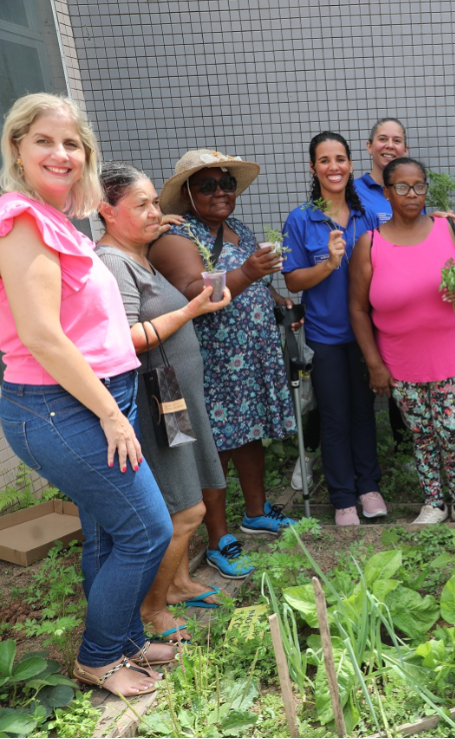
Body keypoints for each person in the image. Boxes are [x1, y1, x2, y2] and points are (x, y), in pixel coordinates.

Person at [0, 93, 172, 697]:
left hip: (94, 398)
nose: (60, 152)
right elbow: (42, 336)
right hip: (63, 405)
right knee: (147, 530)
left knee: (108, 531)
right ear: (17, 148)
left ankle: (123, 641)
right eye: (43, 140)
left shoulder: (56, 221)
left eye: (71, 143)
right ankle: (98, 657)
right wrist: (109, 413)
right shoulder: (20, 220)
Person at [95, 161, 233, 640]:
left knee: (193, 493)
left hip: (176, 396)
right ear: (106, 211)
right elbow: (128, 338)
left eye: (157, 202)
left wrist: (159, 221)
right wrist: (194, 308)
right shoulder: (112, 263)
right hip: (157, 399)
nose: (156, 212)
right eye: (143, 204)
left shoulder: (138, 253)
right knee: (184, 508)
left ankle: (175, 584)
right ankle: (152, 609)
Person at [150, 149, 297, 576]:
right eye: (207, 185)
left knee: (249, 436)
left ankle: (256, 512)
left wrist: (278, 298)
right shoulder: (177, 237)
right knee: (214, 451)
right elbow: (197, 290)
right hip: (210, 365)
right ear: (188, 195)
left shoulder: (238, 229)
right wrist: (250, 272)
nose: (220, 192)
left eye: (226, 183)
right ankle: (218, 539)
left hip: (249, 361)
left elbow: (256, 284)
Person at [350, 157, 455, 524]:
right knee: (422, 433)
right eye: (401, 187)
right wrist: (375, 364)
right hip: (400, 359)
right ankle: (433, 503)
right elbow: (358, 310)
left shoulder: (450, 230)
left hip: (453, 352)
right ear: (386, 193)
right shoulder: (370, 244)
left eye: (418, 186)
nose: (411, 194)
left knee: (453, 430)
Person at [282, 132, 383, 527]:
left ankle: (369, 487)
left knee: (364, 411)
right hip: (325, 336)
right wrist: (327, 264)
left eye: (340, 159)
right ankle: (342, 497)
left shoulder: (368, 216)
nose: (334, 167)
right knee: (335, 415)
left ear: (351, 164)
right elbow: (292, 281)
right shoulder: (301, 218)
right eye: (324, 160)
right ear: (313, 168)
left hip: (367, 334)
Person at [352, 117, 414, 453]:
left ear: (407, 149)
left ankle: (405, 449)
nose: (389, 145)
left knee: (400, 373)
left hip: (398, 299)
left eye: (396, 140)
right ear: (369, 146)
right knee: (363, 376)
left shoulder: (410, 185)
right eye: (382, 139)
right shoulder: (353, 190)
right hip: (364, 294)